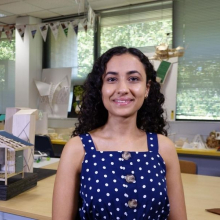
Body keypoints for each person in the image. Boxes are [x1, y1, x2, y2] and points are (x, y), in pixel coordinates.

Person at [52, 46, 187, 220]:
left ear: (147, 89)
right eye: (111, 79)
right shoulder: (77, 148)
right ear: (101, 88)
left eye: (133, 78)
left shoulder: (163, 148)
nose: (122, 88)